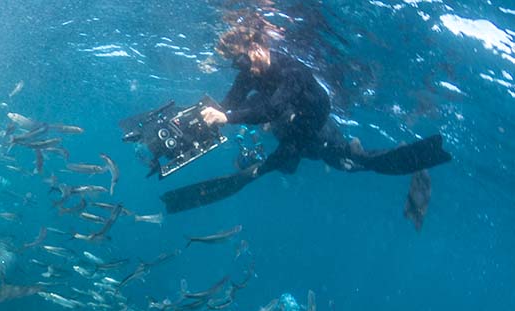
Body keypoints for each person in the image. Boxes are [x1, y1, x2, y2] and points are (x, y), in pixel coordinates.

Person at [162, 26, 452, 213]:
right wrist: (195, 118)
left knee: (351, 164)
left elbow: (272, 109)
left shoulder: (292, 72)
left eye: (242, 60)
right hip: (292, 133)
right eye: (236, 64)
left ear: (258, 48)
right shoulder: (251, 72)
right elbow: (230, 104)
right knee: (284, 164)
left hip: (318, 132)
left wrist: (227, 117)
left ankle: (417, 158)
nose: (241, 68)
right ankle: (301, 158)